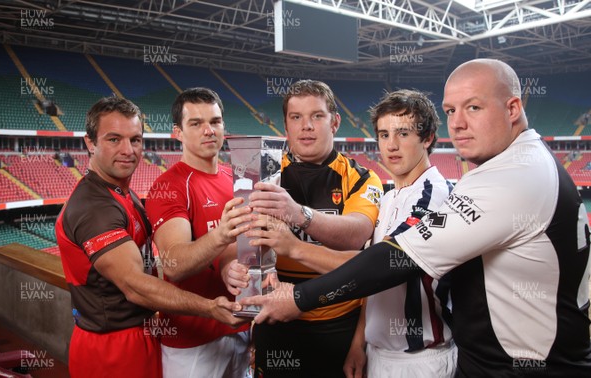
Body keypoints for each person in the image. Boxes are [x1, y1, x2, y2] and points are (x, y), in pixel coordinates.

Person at [241, 59, 591, 377]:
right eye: (451, 110)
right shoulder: (400, 194)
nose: (459, 123)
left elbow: (392, 263)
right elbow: (372, 276)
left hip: (451, 359)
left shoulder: (483, 183)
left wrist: (298, 294)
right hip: (420, 353)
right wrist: (361, 341)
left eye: (473, 107)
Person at [242, 89, 456, 377]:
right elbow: (373, 281)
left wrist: (295, 251)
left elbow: (378, 268)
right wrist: (361, 342)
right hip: (376, 349)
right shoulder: (393, 197)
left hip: (418, 357)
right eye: (383, 135)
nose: (391, 146)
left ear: (427, 138)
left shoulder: (431, 196)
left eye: (403, 134)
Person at [55, 96, 248, 378]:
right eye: (113, 139)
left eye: (135, 139)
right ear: (90, 143)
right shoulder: (94, 207)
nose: (128, 150)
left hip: (140, 333)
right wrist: (209, 307)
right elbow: (136, 286)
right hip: (110, 344)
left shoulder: (121, 193)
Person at [229, 79, 384, 377]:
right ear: (285, 127)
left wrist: (300, 215)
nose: (306, 126)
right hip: (277, 323)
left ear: (335, 122)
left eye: (317, 116)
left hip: (338, 324)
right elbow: (241, 245)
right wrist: (231, 269)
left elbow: (357, 233)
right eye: (296, 117)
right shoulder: (265, 174)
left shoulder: (363, 177)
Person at [144, 88, 252, 378]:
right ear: (177, 132)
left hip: (240, 325)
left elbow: (244, 248)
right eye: (196, 123)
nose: (209, 131)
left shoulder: (237, 178)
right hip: (191, 341)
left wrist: (232, 267)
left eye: (215, 122)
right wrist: (221, 235)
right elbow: (173, 265)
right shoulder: (169, 187)